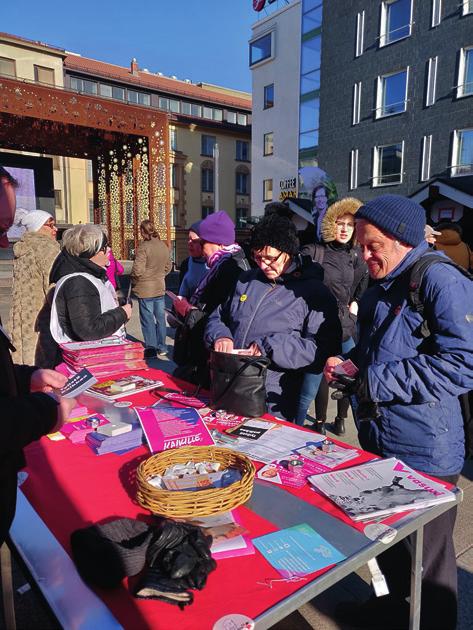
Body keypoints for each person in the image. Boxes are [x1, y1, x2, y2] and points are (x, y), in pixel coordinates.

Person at [324, 194, 473, 630]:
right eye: (360, 247)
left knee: (429, 560)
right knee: (388, 541)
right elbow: (383, 352)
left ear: (404, 239)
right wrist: (354, 369)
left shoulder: (439, 279)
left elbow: (464, 363)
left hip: (427, 446)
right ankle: (390, 612)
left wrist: (374, 382)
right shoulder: (385, 281)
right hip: (381, 436)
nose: (364, 255)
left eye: (373, 246)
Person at [0, 166, 76, 545]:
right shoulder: (49, 251)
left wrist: (19, 376)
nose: (3, 242)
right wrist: (47, 413)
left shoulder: (22, 249)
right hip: (40, 324)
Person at [205, 214, 340, 421]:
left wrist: (270, 347)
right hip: (228, 386)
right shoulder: (245, 280)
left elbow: (322, 351)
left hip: (273, 399)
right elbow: (218, 317)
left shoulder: (313, 293)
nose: (264, 264)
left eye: (271, 258)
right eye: (258, 257)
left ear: (289, 252)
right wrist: (220, 336)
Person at [295, 198, 368, 434]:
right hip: (317, 329)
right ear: (329, 225)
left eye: (350, 223)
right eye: (340, 223)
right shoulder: (315, 252)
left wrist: (354, 308)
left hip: (345, 328)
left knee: (346, 380)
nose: (345, 229)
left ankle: (340, 420)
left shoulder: (358, 255)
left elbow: (361, 289)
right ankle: (295, 430)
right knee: (309, 386)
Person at [172, 211, 250, 386]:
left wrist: (188, 310)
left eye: (203, 243)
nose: (201, 248)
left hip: (213, 358)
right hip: (204, 353)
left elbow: (220, 318)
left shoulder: (230, 270)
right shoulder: (221, 266)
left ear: (218, 243)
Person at [48, 224, 131, 345]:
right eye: (104, 247)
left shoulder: (90, 275)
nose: (109, 250)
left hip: (100, 352)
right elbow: (88, 330)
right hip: (93, 356)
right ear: (91, 252)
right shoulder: (78, 282)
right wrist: (122, 313)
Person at [9, 210, 60, 366]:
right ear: (38, 227)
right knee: (45, 369)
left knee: (25, 365)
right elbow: (54, 288)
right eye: (50, 225)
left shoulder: (22, 249)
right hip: (42, 319)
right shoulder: (48, 249)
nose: (55, 229)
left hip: (21, 319)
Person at [131, 220, 171, 358]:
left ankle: (151, 347)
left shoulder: (144, 247)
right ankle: (162, 347)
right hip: (159, 286)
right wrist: (159, 275)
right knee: (160, 318)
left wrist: (134, 280)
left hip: (145, 289)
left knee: (147, 319)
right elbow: (168, 267)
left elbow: (137, 270)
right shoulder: (163, 246)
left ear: (143, 231)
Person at [178, 222, 208, 299]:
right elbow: (182, 293)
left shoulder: (216, 264)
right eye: (189, 239)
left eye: (194, 241)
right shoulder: (186, 264)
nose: (189, 243)